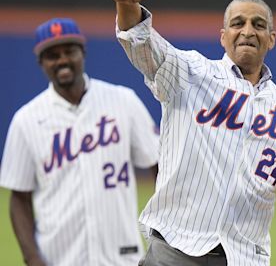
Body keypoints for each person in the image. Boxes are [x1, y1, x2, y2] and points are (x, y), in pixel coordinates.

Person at [103, 0, 276, 266]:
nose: (248, 31)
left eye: (258, 24)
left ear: (271, 39)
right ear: (223, 37)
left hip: (244, 256)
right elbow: (144, 46)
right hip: (176, 248)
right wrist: (125, 5)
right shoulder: (191, 73)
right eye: (238, 23)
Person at [0, 17, 160, 266]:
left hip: (122, 257)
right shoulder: (26, 121)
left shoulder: (123, 101)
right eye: (52, 54)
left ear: (82, 53)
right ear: (41, 63)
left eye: (69, 51)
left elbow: (160, 167)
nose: (62, 60)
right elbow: (19, 198)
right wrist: (32, 258)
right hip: (59, 259)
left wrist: (165, 233)